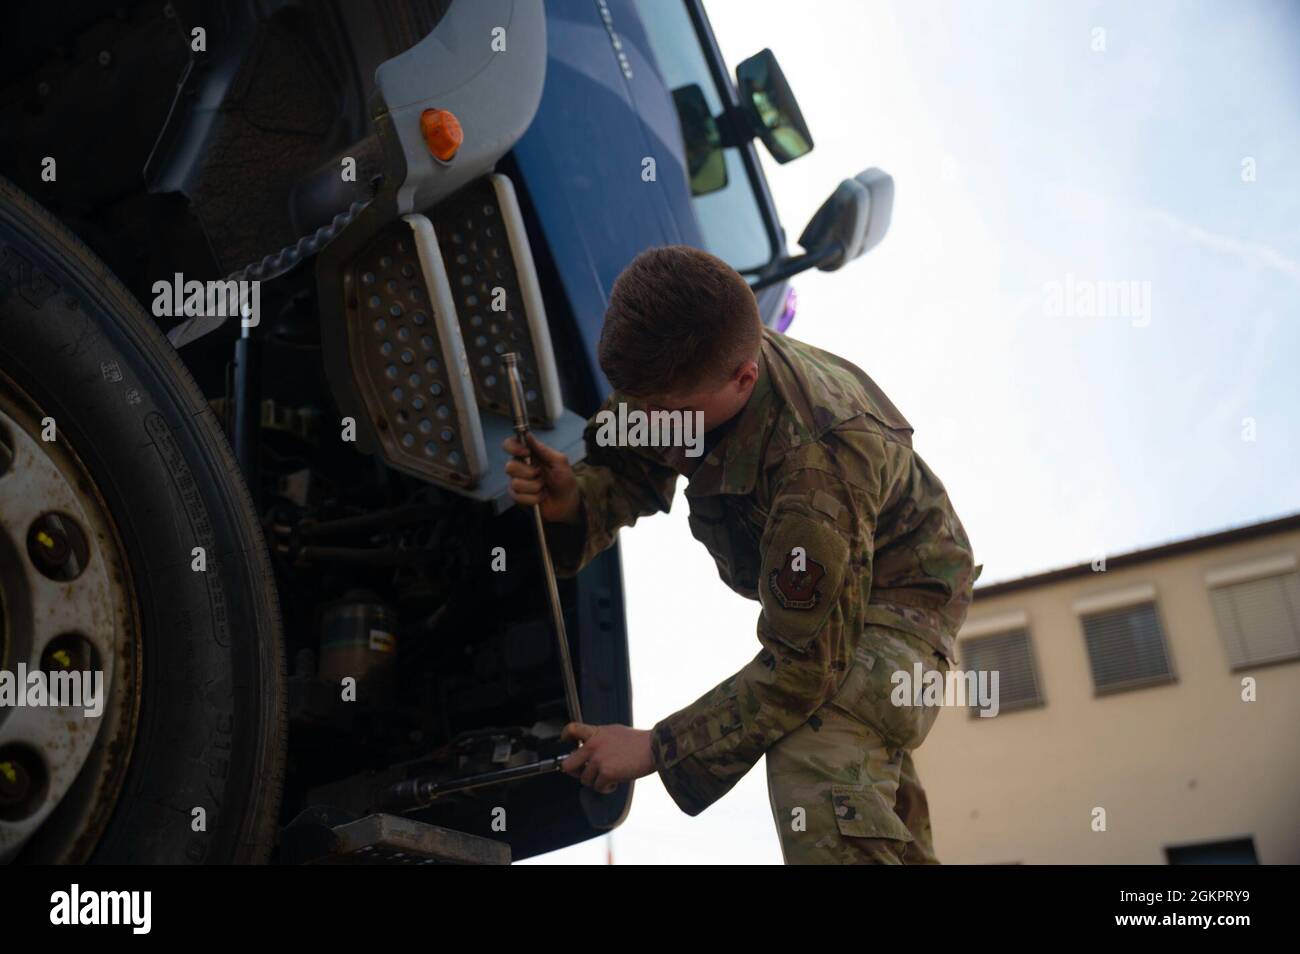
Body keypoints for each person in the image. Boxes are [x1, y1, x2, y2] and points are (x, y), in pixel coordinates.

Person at [504, 245, 978, 864]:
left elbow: (805, 666)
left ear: (743, 380)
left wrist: (654, 746)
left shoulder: (820, 464)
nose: (645, 423)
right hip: (832, 595)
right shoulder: (668, 383)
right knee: (864, 801)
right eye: (635, 405)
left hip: (902, 599)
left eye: (664, 414)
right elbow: (626, 473)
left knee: (815, 753)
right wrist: (572, 499)